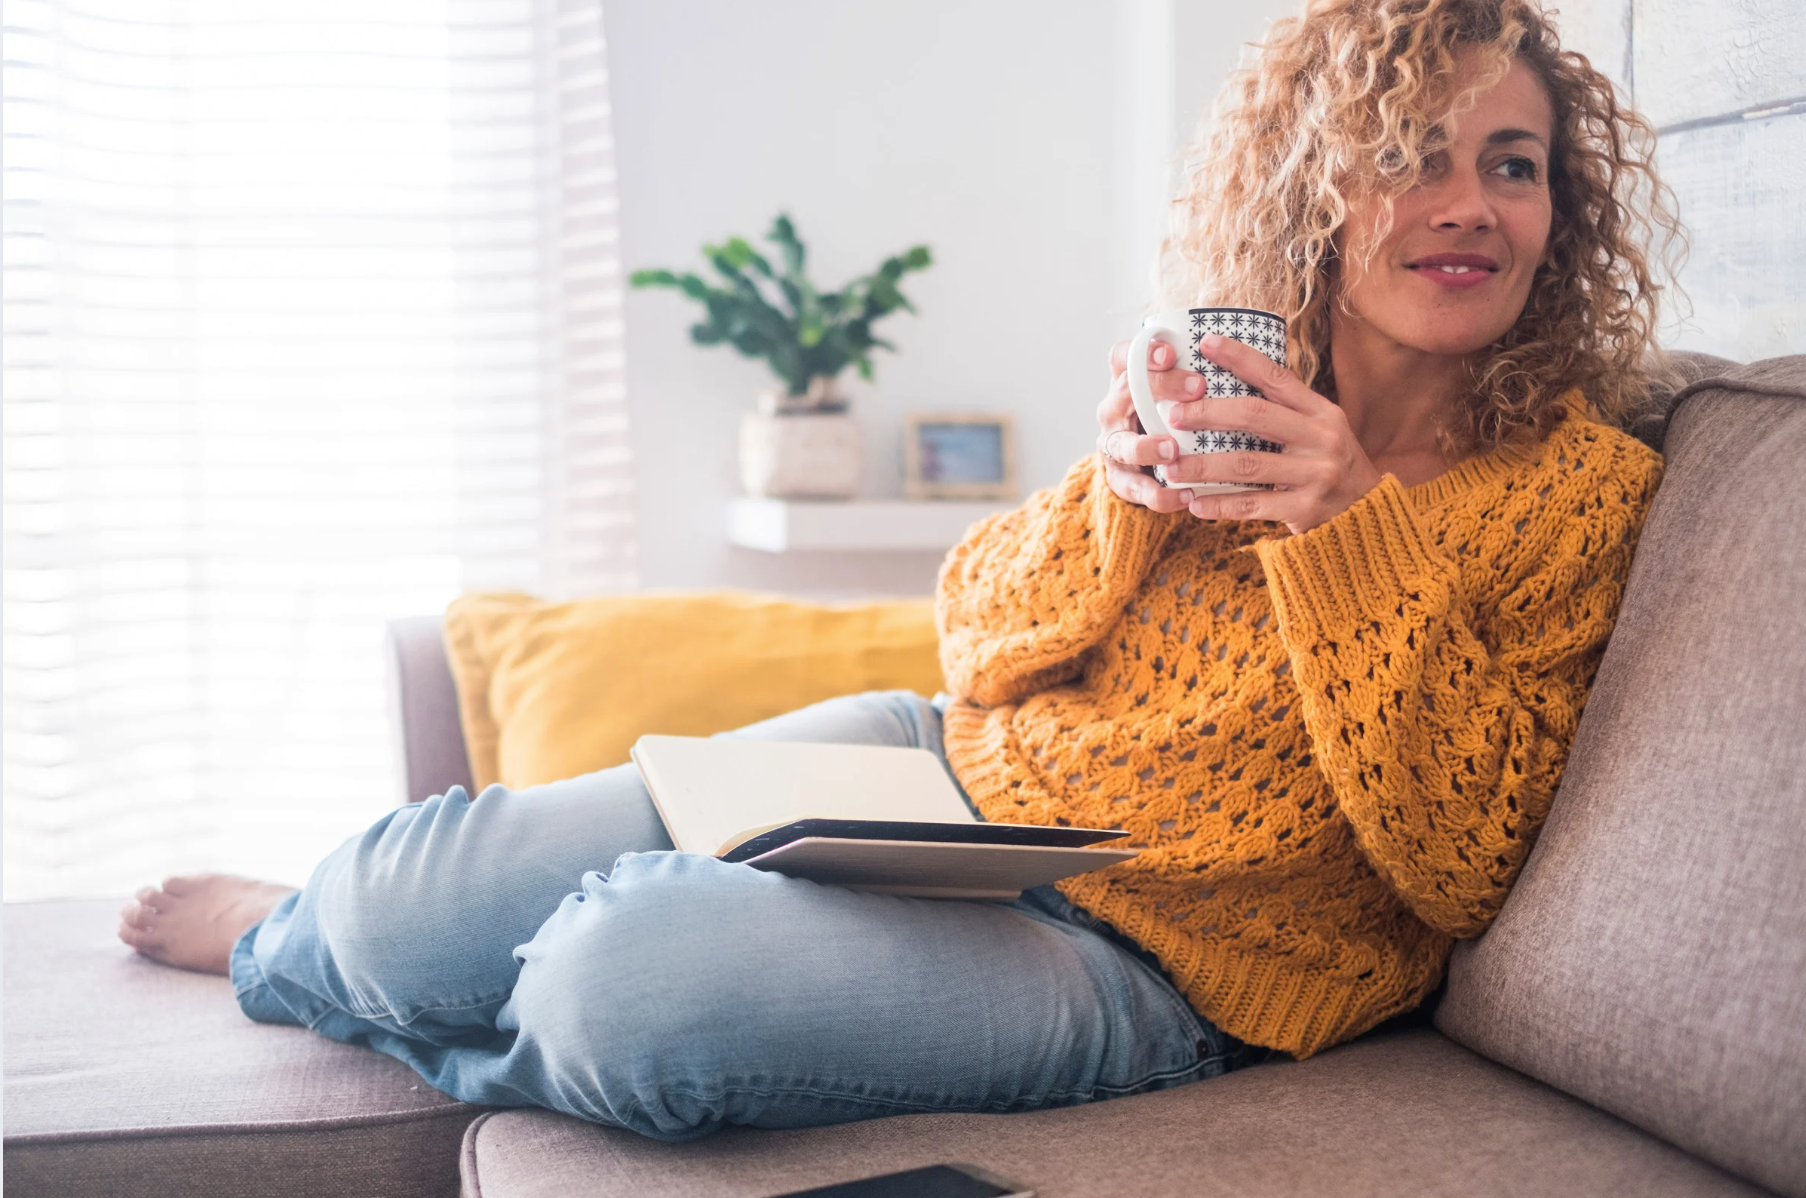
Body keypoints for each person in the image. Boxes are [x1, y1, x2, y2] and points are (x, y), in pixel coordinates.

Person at [119, 0, 1677, 1142]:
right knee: (399, 896)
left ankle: (490, 972)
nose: (1468, 202)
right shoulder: (1218, 385)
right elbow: (981, 635)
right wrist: (1117, 492)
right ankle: (303, 940)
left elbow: (1465, 861)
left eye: (1514, 163)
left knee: (623, 986)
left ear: (1561, 210)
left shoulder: (1583, 488)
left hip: (1168, 966)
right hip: (943, 773)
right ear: (1315, 195)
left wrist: (1345, 535)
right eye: (1410, 154)